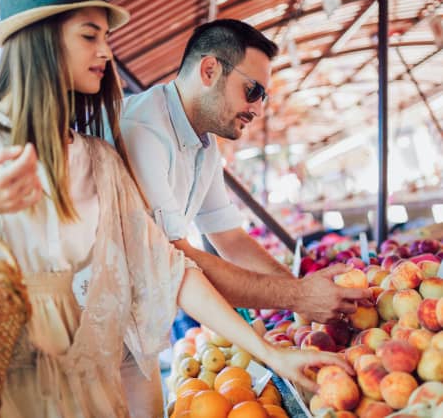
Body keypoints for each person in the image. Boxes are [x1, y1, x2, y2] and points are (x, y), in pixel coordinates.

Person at [0, 0, 353, 417]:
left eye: (106, 37)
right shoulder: (140, 131)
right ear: (39, 39)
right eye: (90, 36)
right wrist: (295, 298)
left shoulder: (100, 160)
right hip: (16, 384)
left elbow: (169, 265)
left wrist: (274, 347)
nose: (106, 51)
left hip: (100, 373)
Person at [119, 19, 373, 325]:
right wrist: (299, 296)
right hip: (92, 324)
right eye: (253, 91)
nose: (258, 109)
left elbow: (230, 238)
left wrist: (303, 292)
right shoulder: (144, 131)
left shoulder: (204, 144)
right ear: (209, 71)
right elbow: (174, 257)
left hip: (135, 322)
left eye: (263, 97)